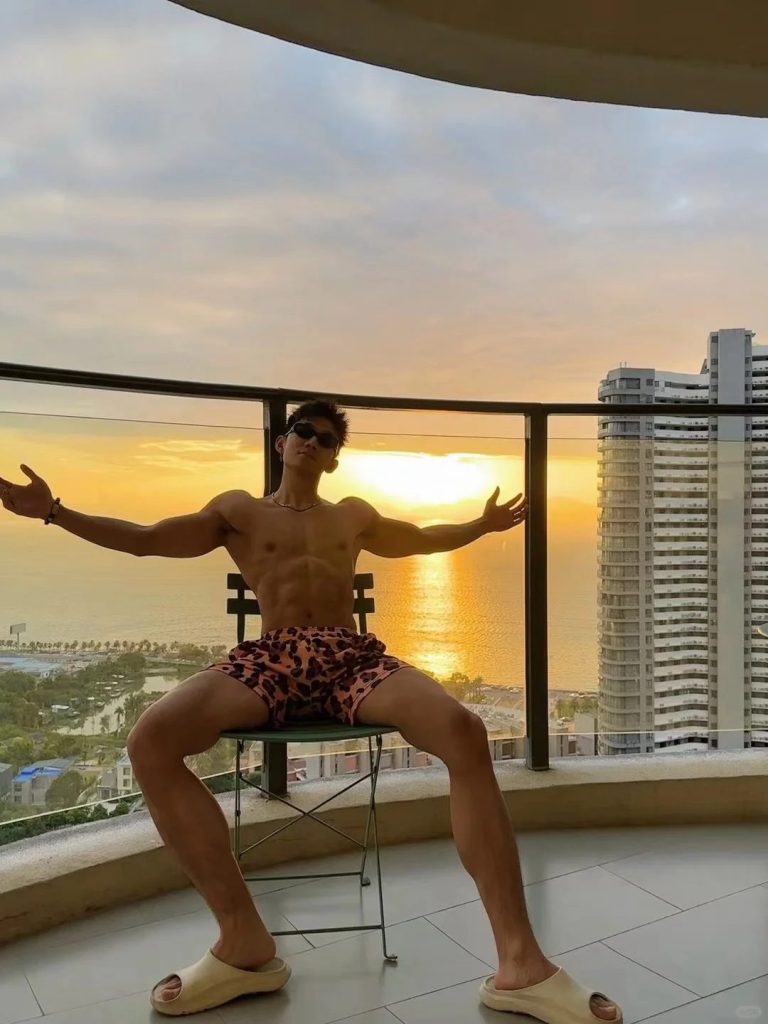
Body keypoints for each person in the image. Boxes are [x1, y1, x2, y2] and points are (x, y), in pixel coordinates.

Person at [0, 399, 621, 1023]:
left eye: (326, 439)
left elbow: (420, 538)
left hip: (349, 657)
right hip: (271, 659)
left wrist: (479, 527)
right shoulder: (237, 510)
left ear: (333, 459)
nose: (312, 442)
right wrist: (55, 512)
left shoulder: (351, 515)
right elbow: (147, 540)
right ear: (282, 442)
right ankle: (242, 942)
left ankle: (520, 964)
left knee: (464, 728)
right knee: (149, 741)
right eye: (303, 430)